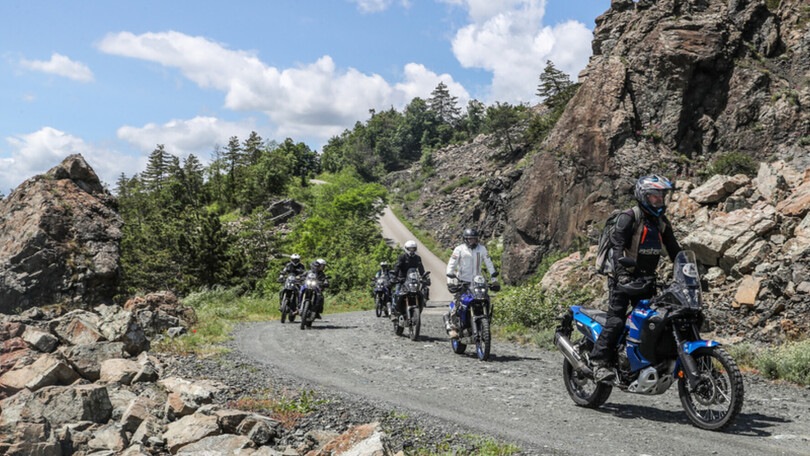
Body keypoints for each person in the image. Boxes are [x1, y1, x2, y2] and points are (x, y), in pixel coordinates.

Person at [590, 175, 682, 382]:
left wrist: (690, 273)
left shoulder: (660, 222)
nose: (659, 200)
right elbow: (617, 247)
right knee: (616, 320)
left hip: (647, 279)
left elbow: (675, 250)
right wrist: (621, 275)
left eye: (662, 196)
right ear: (643, 196)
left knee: (652, 321)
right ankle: (598, 362)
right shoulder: (629, 217)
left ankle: (642, 360)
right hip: (623, 279)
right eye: (655, 196)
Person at [445, 228, 497, 339]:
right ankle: (453, 326)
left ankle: (484, 324)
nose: (473, 241)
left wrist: (494, 280)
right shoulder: (459, 249)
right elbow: (451, 264)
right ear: (465, 239)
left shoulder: (482, 249)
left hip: (478, 281)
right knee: (458, 302)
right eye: (470, 239)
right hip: (463, 281)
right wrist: (450, 280)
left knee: (485, 299)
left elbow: (489, 264)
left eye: (474, 239)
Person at [392, 240, 426, 318]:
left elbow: (421, 268)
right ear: (406, 249)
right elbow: (397, 267)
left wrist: (424, 276)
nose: (412, 250)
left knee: (420, 294)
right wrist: (395, 276)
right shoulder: (402, 257)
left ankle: (419, 308)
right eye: (410, 249)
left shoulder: (417, 258)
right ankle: (394, 310)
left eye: (413, 248)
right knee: (397, 293)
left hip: (413, 280)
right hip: (402, 279)